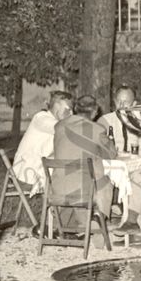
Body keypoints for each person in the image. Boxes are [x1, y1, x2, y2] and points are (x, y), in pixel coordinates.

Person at [51, 94, 118, 238]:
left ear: (75, 109)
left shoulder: (59, 126)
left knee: (89, 169)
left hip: (57, 190)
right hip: (83, 192)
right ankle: (99, 217)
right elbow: (111, 155)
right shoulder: (97, 129)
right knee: (105, 180)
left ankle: (70, 227)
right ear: (95, 112)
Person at [12, 90, 73, 188]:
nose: (71, 113)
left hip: (41, 169)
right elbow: (60, 129)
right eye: (68, 109)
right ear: (57, 106)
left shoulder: (57, 122)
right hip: (26, 174)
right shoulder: (41, 118)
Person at [100, 86, 141, 157]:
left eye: (125, 102)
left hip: (135, 163)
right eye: (119, 101)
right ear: (115, 101)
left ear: (134, 104)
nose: (121, 105)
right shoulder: (104, 120)